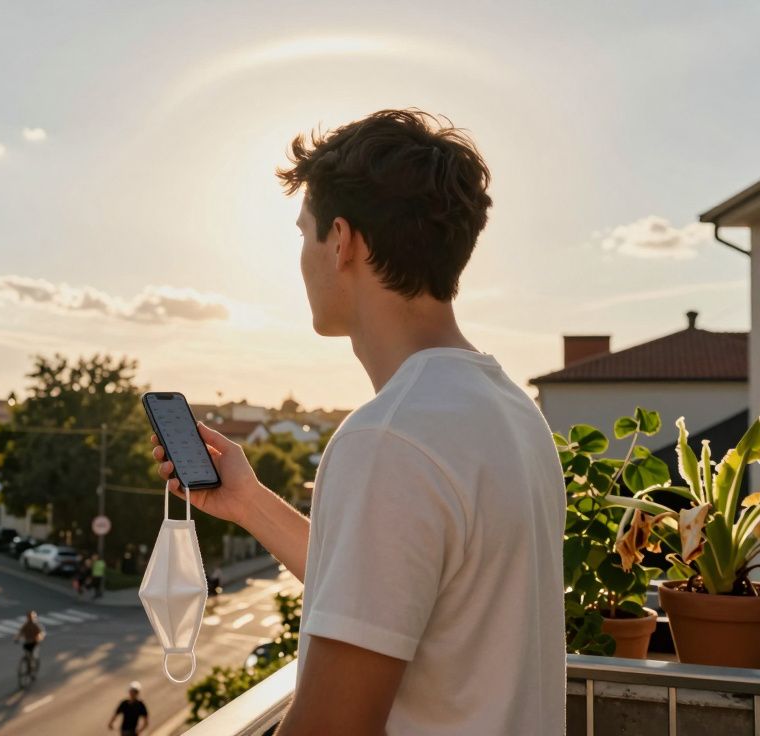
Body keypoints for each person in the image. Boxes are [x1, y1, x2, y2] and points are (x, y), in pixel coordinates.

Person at [150, 110, 564, 735]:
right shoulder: (507, 409)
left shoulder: (389, 438)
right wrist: (249, 502)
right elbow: (389, 590)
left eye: (304, 234)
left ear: (341, 241)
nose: (302, 258)